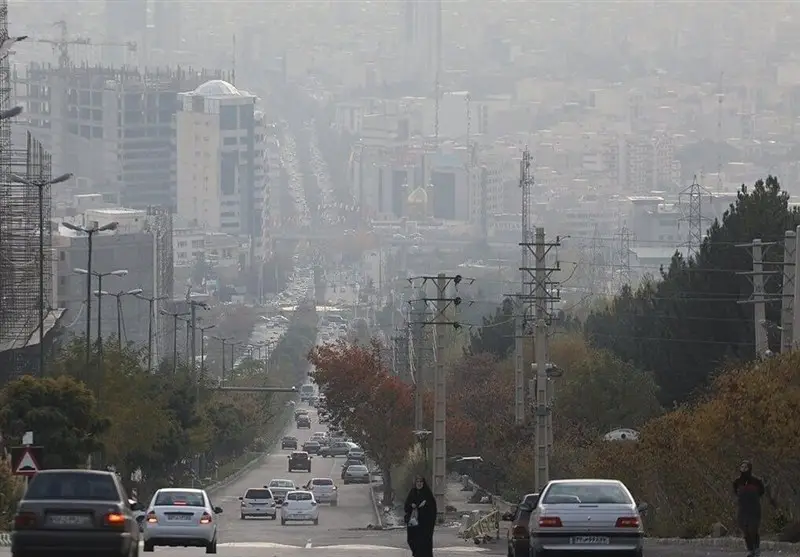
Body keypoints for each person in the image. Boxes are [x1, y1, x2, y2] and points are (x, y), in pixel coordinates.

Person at [733, 460, 765, 557]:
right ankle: (750, 549)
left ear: (749, 468)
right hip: (742, 509)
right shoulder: (737, 482)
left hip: (754, 508)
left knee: (753, 529)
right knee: (745, 530)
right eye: (742, 467)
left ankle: (757, 548)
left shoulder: (756, 481)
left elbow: (761, 492)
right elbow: (736, 492)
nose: (743, 469)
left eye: (745, 467)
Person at [404, 475, 437, 557]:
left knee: (424, 544)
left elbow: (433, 509)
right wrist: (411, 505)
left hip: (425, 525)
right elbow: (406, 507)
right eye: (417, 482)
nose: (419, 484)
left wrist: (424, 506)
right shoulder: (412, 492)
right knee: (411, 540)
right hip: (413, 524)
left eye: (421, 482)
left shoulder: (427, 494)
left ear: (423, 483)